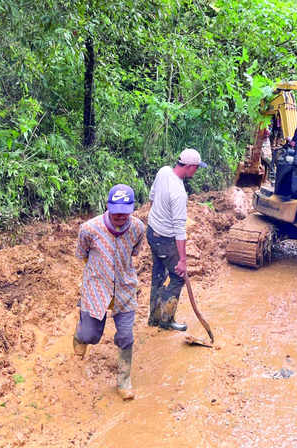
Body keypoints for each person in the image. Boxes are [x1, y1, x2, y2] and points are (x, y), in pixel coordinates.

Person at [73, 184, 146, 400]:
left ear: (132, 209)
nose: (121, 216)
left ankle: (123, 380)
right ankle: (80, 334)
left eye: (126, 211)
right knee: (91, 335)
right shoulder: (89, 229)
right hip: (97, 289)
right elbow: (82, 254)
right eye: (116, 211)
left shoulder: (138, 228)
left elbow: (134, 252)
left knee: (126, 336)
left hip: (124, 289)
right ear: (107, 206)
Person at [147, 148, 208, 332]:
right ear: (188, 167)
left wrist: (157, 220)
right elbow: (179, 230)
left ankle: (153, 318)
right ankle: (166, 320)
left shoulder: (163, 171)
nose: (196, 171)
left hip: (152, 233)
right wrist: (182, 260)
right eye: (196, 168)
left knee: (158, 274)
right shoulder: (179, 194)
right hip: (165, 239)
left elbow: (152, 198)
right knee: (177, 277)